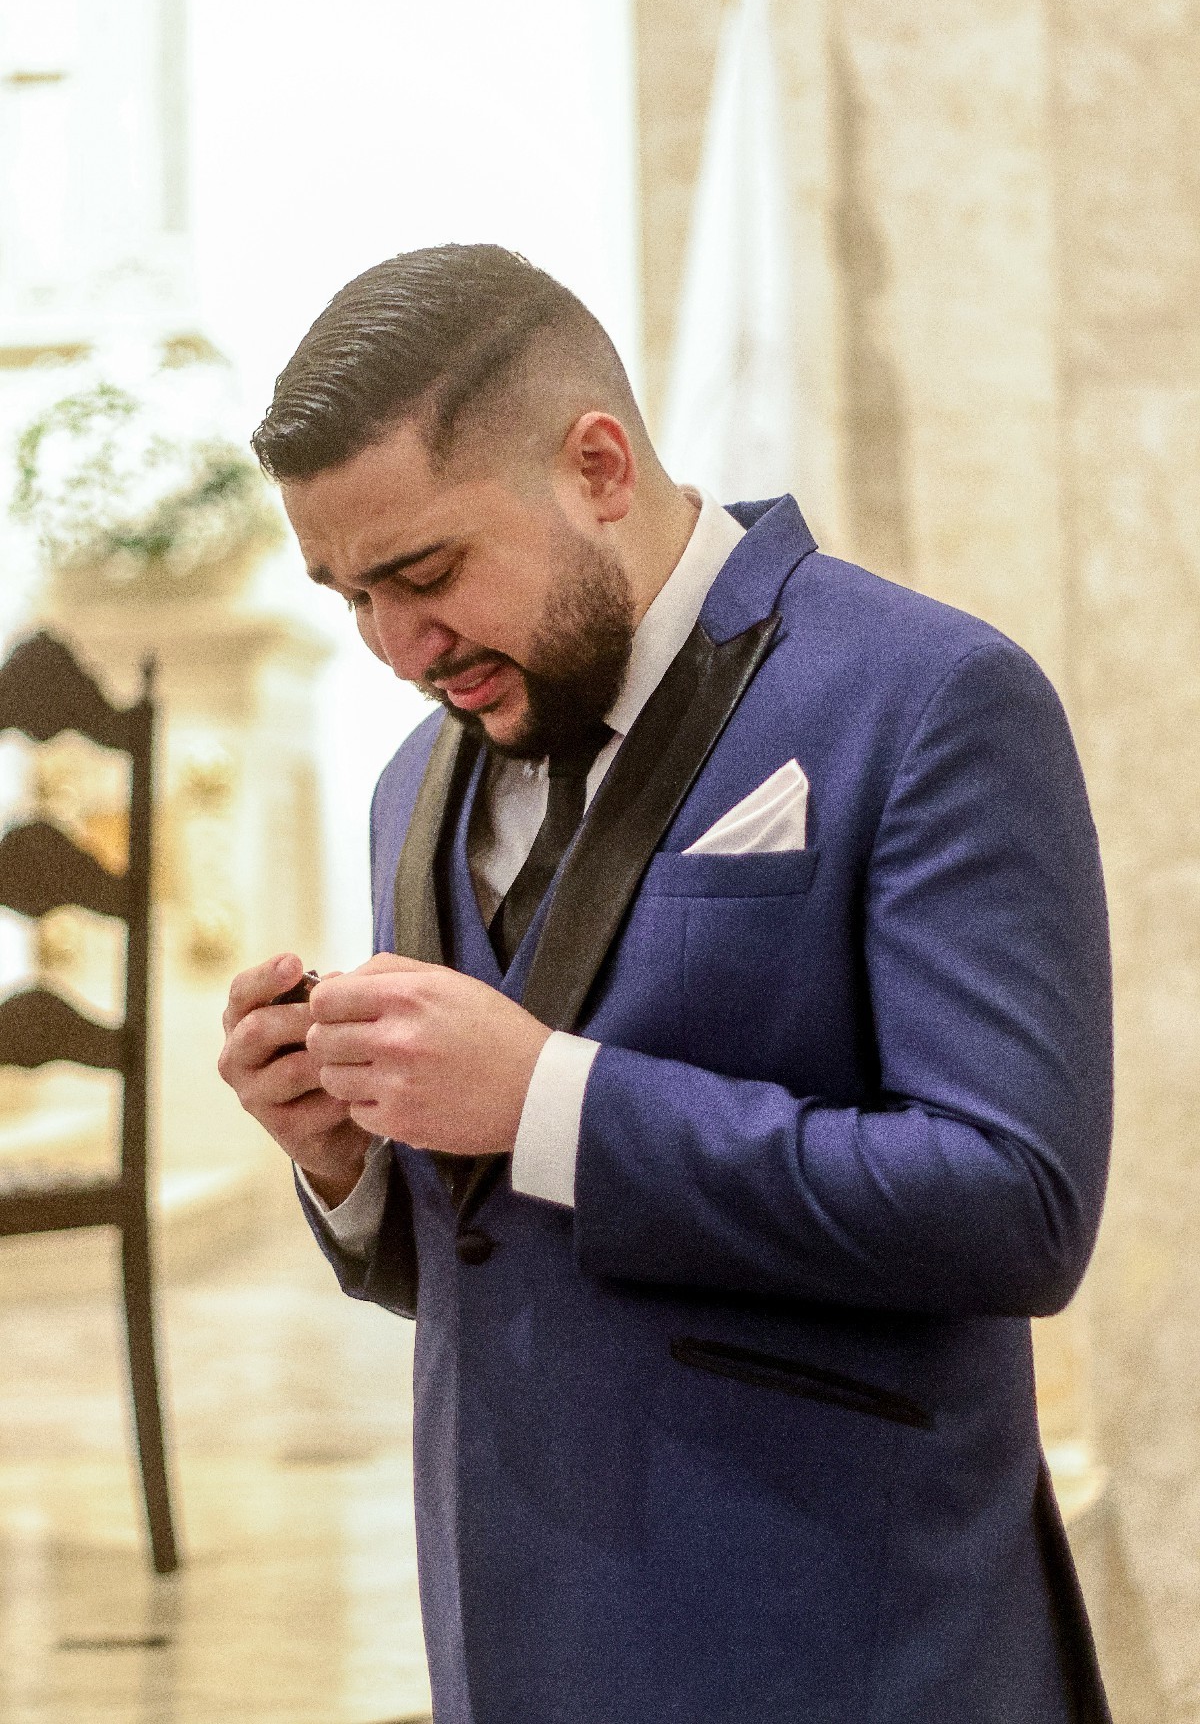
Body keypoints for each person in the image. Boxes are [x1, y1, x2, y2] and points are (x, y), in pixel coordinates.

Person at [219, 244, 1113, 1723]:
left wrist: (545, 1099)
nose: (396, 647)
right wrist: (350, 1164)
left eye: (427, 574)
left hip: (852, 1649)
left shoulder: (931, 697)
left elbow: (1015, 1205)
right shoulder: (411, 782)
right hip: (519, 1648)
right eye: (350, 595)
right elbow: (503, 1254)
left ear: (598, 466)